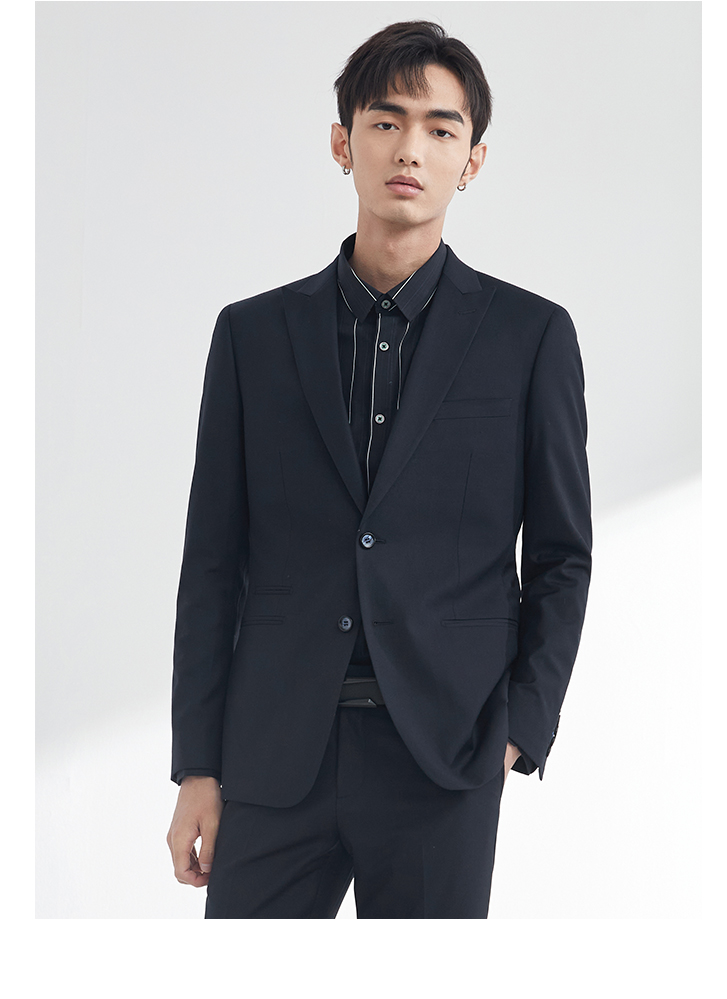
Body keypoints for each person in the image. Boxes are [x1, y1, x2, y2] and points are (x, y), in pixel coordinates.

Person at [166, 19, 592, 919]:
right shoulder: (251, 336)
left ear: (472, 160)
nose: (410, 149)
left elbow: (562, 555)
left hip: (443, 756)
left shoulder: (530, 338)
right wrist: (198, 765)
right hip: (274, 754)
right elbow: (212, 561)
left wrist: (519, 729)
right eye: (386, 122)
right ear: (342, 143)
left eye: (441, 128)